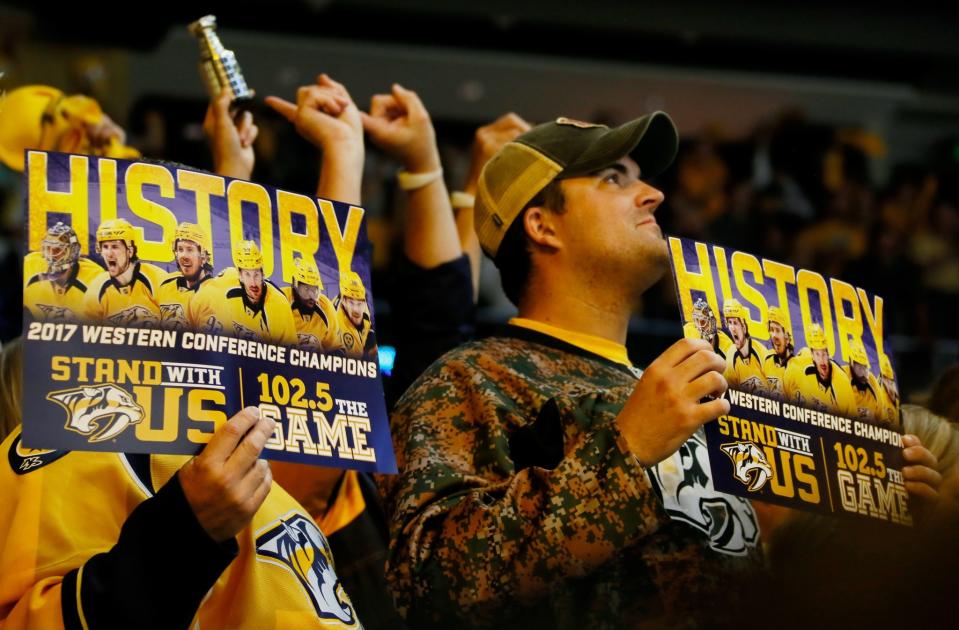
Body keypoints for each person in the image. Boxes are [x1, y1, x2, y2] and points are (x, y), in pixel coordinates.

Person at [382, 113, 767, 628]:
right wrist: (626, 452)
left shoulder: (694, 397)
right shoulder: (473, 380)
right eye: (615, 178)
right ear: (542, 225)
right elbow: (425, 587)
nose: (653, 194)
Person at [189, 239, 297, 345]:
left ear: (263, 274)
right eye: (247, 275)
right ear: (240, 276)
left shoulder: (279, 305)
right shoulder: (227, 279)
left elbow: (288, 355)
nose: (253, 283)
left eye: (256, 275)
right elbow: (199, 300)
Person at [83, 218, 166, 327]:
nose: (109, 253)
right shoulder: (97, 288)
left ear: (130, 251)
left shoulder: (157, 279)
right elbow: (88, 336)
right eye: (105, 247)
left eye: (115, 246)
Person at [23, 222, 104, 322]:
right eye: (48, 248)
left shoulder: (95, 277)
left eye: (58, 250)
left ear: (73, 252)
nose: (52, 255)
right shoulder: (30, 265)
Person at [783, 323, 856, 418]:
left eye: (824, 354)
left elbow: (853, 422)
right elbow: (785, 390)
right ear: (812, 356)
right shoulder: (797, 366)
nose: (822, 360)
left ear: (829, 355)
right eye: (817, 354)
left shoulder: (842, 383)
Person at [157, 222, 215, 331]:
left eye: (189, 249)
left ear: (203, 257)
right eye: (180, 249)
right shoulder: (166, 286)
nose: (183, 255)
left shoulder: (214, 294)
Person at [283, 256, 338, 351]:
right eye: (306, 289)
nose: (311, 296)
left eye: (314, 290)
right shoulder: (281, 299)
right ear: (294, 286)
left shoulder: (326, 307)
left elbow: (335, 348)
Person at [722, 297, 768, 394]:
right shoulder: (731, 356)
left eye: (735, 323)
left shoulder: (760, 352)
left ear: (743, 326)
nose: (732, 328)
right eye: (730, 323)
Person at [329, 271, 377, 360]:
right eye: (351, 303)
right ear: (343, 301)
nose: (356, 309)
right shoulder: (335, 322)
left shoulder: (366, 307)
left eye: (359, 304)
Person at [842, 337, 885, 424]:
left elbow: (882, 419)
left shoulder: (873, 384)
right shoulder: (842, 376)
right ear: (851, 363)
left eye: (865, 367)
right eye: (860, 367)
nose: (864, 372)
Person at [762, 305, 796, 398]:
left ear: (787, 337)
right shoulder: (768, 362)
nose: (774, 335)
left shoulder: (797, 368)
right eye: (771, 330)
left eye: (777, 330)